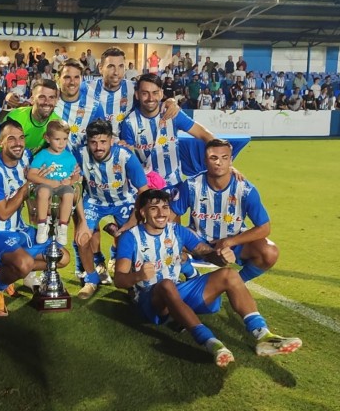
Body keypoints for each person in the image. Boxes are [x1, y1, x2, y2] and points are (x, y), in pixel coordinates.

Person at [114, 188, 301, 367]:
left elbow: (204, 252)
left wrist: (219, 256)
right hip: (149, 301)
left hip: (175, 292)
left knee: (229, 275)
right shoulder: (130, 238)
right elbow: (119, 280)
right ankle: (212, 343)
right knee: (165, 285)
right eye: (154, 208)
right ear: (143, 212)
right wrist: (138, 275)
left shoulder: (177, 231)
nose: (161, 213)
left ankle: (263, 335)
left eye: (165, 207)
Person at [0, 120, 70, 317]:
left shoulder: (27, 157)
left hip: (19, 229)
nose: (18, 143)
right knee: (24, 264)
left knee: (63, 257)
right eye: (11, 139)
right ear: (0, 142)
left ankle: (5, 270)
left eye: (21, 138)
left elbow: (52, 151)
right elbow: (3, 213)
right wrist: (26, 186)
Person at [171, 139, 278, 283]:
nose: (218, 162)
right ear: (205, 160)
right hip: (198, 240)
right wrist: (181, 238)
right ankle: (191, 273)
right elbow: (172, 216)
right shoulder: (191, 185)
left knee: (270, 252)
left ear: (231, 160)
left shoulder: (245, 190)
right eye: (213, 158)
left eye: (224, 158)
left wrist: (230, 241)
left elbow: (264, 228)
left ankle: (236, 283)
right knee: (168, 239)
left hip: (234, 241)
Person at [72, 119, 148, 299]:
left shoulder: (126, 156)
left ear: (111, 140)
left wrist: (132, 221)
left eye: (103, 142)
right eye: (93, 142)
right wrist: (81, 222)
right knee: (82, 238)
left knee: (131, 240)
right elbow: (75, 187)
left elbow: (144, 191)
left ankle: (130, 280)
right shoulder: (79, 154)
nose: (98, 147)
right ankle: (91, 279)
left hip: (123, 202)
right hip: (94, 202)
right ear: (87, 141)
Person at [123, 74, 215, 189]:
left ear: (161, 93)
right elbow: (129, 159)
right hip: (146, 188)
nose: (151, 98)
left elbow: (203, 133)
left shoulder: (173, 113)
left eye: (155, 93)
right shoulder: (129, 123)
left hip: (174, 185)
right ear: (137, 95)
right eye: (145, 93)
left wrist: (223, 159)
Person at [27, 120, 78, 245]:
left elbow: (77, 175)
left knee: (69, 194)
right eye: (57, 139)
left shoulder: (69, 156)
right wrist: (49, 182)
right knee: (44, 191)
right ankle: (42, 225)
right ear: (47, 138)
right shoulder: (42, 155)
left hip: (62, 187)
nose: (62, 143)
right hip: (46, 186)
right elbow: (31, 174)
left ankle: (62, 227)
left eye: (65, 139)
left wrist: (71, 180)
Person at [53, 58, 106, 152]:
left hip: (84, 164)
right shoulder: (50, 103)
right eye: (67, 77)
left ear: (82, 79)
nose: (72, 82)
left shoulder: (95, 107)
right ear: (58, 78)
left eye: (76, 77)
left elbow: (101, 140)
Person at [4, 79, 61, 154]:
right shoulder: (15, 118)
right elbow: (4, 154)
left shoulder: (57, 124)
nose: (47, 102)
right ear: (32, 99)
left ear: (56, 100)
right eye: (42, 97)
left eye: (51, 97)